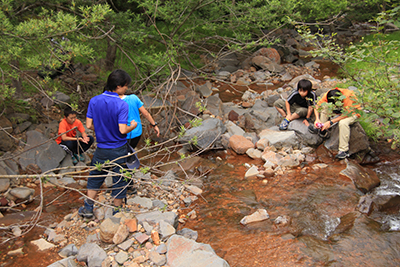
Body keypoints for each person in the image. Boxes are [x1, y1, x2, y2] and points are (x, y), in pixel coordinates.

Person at [78, 69, 138, 218]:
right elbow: (122, 130)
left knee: (95, 177)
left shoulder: (94, 100)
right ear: (118, 86)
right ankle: (117, 211)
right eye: (125, 86)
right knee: (119, 178)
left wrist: (102, 127)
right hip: (118, 148)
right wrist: (133, 126)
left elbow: (89, 125)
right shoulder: (121, 104)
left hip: (102, 148)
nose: (126, 89)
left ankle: (88, 208)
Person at [311, 88, 361, 159]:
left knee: (343, 123)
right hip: (341, 109)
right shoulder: (329, 94)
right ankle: (322, 129)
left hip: (352, 112)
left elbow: (347, 114)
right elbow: (317, 106)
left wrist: (331, 122)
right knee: (325, 106)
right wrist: (317, 119)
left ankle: (344, 150)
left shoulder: (348, 96)